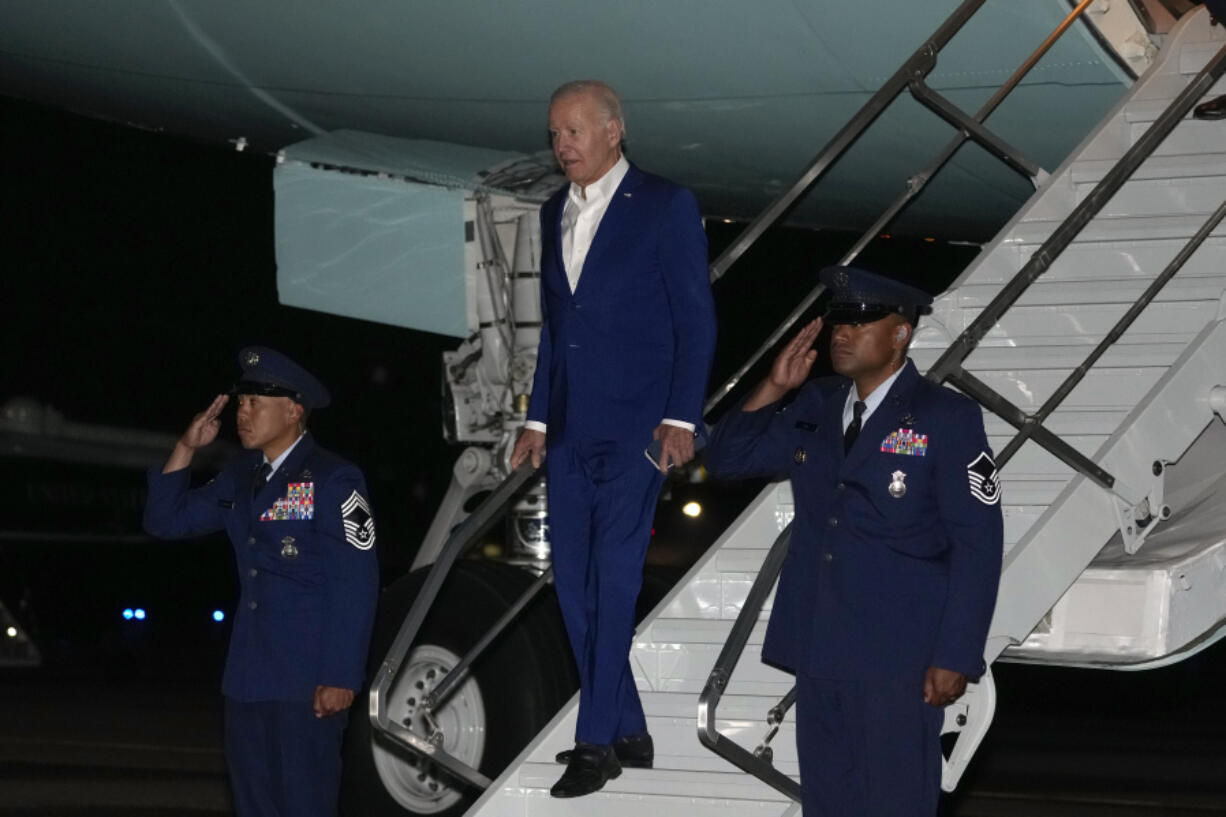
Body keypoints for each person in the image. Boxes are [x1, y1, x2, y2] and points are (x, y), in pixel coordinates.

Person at [705, 266, 1003, 816]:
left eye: (862, 319)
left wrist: (956, 654)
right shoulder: (816, 405)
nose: (841, 332)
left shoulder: (945, 416)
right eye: (839, 319)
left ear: (900, 334)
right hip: (819, 644)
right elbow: (727, 460)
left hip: (900, 654)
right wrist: (773, 387)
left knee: (894, 801)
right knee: (827, 801)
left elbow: (978, 542)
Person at [508, 79, 717, 798]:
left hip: (641, 432)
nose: (561, 145)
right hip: (568, 430)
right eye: (554, 133)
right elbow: (556, 331)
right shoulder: (549, 213)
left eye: (573, 131)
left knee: (615, 581)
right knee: (572, 585)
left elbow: (697, 320)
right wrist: (536, 419)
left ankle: (595, 742)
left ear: (613, 131)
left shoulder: (664, 204)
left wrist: (682, 416)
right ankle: (629, 725)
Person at [143, 346, 379, 817]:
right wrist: (187, 447)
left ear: (293, 410)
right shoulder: (240, 477)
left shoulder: (334, 479)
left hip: (307, 679)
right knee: (254, 806)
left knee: (304, 804)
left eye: (254, 403)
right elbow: (164, 521)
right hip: (248, 676)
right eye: (240, 403)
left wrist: (340, 676)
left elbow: (356, 581)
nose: (242, 414)